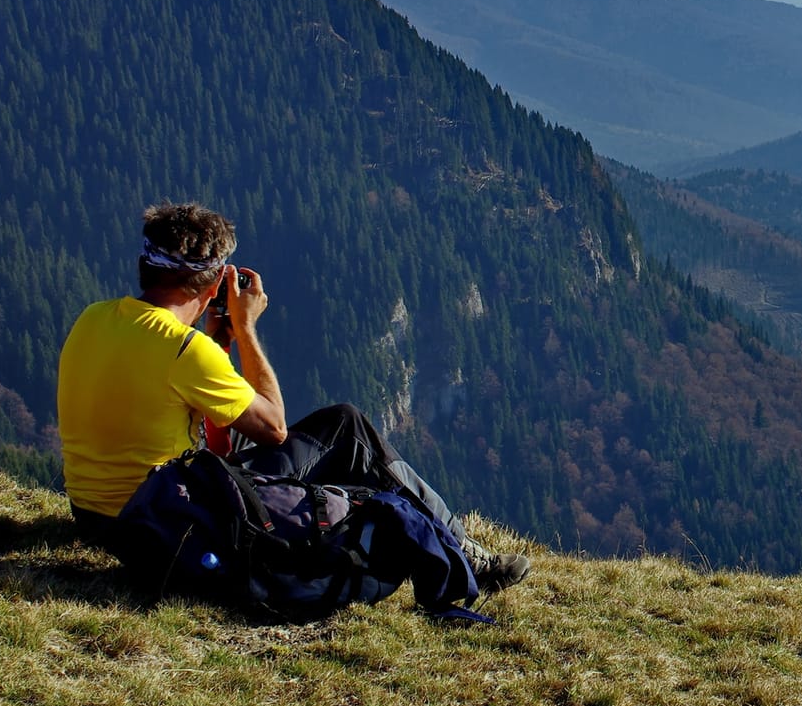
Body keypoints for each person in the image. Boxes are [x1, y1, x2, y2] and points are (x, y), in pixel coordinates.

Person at [57, 201, 531, 591]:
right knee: (347, 428)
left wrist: (218, 345)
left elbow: (217, 446)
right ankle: (463, 553)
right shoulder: (184, 350)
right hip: (162, 520)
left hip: (96, 515)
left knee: (327, 434)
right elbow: (273, 426)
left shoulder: (94, 318)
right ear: (212, 281)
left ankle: (445, 538)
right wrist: (243, 331)